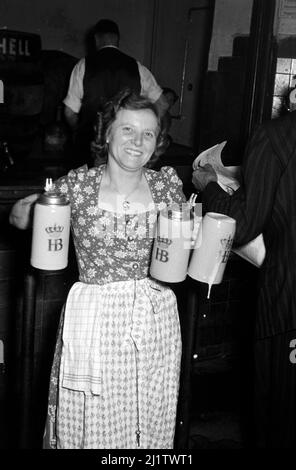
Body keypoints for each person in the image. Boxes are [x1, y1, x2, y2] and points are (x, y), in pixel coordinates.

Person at [9, 90, 186, 449]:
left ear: (158, 141)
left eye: (148, 134)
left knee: (149, 418)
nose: (137, 142)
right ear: (106, 134)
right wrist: (34, 211)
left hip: (155, 323)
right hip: (95, 323)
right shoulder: (79, 185)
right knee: (92, 427)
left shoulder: (167, 185)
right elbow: (17, 216)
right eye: (127, 130)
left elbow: (187, 242)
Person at [192, 110, 296, 448]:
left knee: (278, 417)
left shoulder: (277, 135)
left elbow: (243, 222)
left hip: (288, 303)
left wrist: (209, 185)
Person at [64, 18, 169, 166]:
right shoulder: (136, 67)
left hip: (91, 148)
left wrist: (82, 131)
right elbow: (163, 105)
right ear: (117, 39)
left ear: (96, 39)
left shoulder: (83, 66)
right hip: (126, 150)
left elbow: (69, 112)